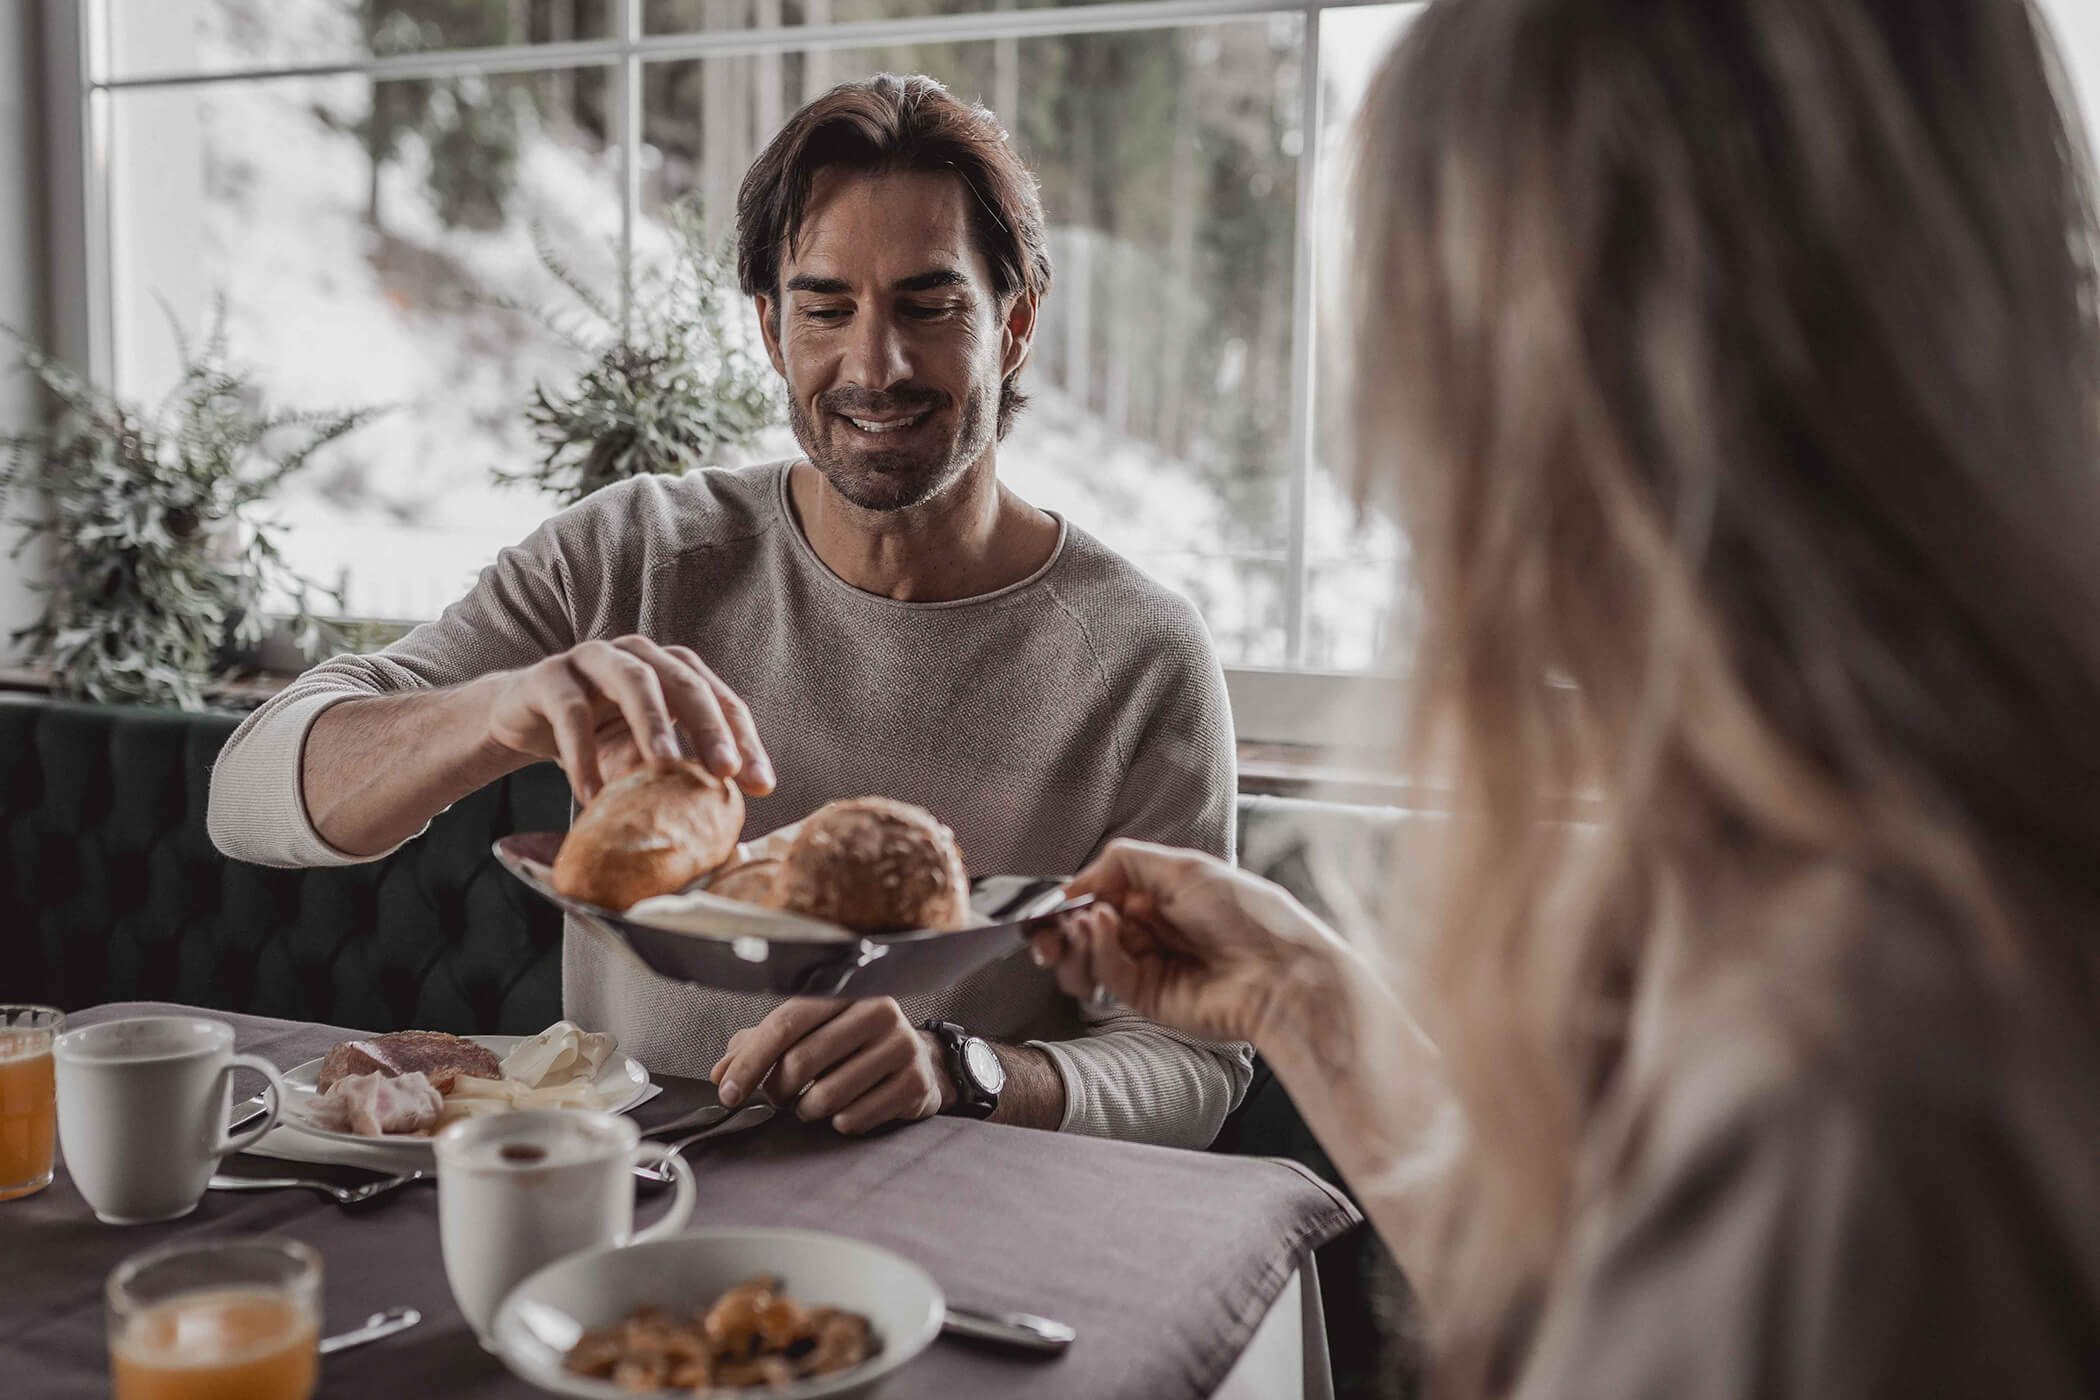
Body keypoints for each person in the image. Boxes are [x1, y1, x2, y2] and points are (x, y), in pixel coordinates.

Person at [1038, 0, 2100, 1393]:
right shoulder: (1881, 879)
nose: (1403, 480)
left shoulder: (1858, 1102)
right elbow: (1603, 1286)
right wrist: (1301, 998)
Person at [208, 75, 1252, 1150]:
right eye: (825, 306)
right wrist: (500, 708)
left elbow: (1192, 1060)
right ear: (769, 329)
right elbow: (245, 798)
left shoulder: (1140, 655)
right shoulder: (631, 556)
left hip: (955, 1218)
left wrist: (966, 1070)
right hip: (632, 1195)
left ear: (1016, 322)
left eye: (930, 305)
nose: (874, 364)